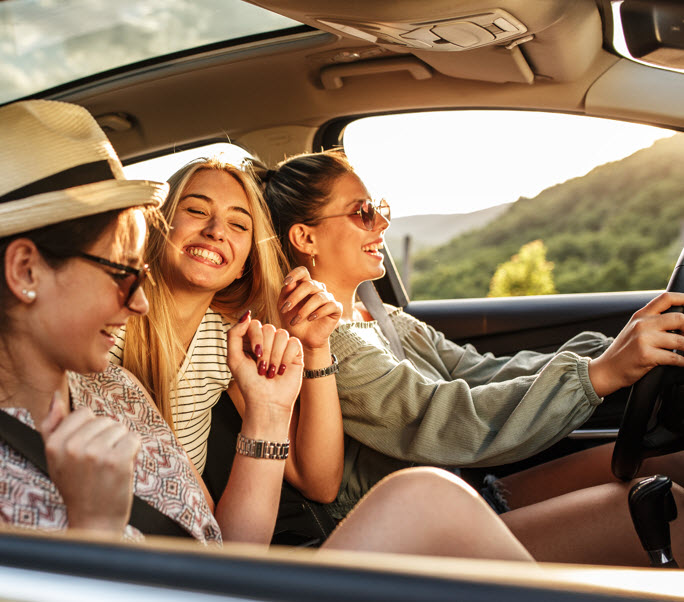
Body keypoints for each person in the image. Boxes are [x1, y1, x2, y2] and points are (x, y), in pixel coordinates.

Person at [262, 149, 684, 565]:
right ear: (306, 237)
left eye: (380, 208)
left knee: (669, 463)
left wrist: (608, 351)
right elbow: (441, 418)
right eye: (364, 212)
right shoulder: (333, 346)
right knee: (667, 513)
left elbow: (479, 372)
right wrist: (598, 375)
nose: (384, 222)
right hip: (412, 539)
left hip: (466, 491)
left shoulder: (383, 317)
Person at [109, 158, 344, 502]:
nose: (216, 230)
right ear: (157, 225)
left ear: (243, 266)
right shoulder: (104, 326)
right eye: (197, 210)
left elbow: (318, 482)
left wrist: (315, 348)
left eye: (238, 224)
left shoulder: (229, 341)